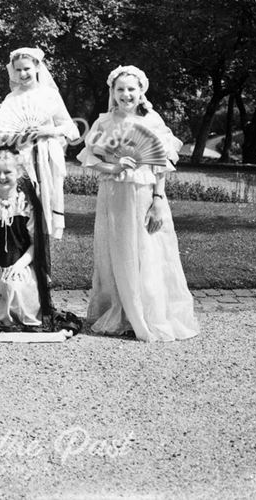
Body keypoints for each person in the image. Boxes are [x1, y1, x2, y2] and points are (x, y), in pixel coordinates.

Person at [78, 65, 199, 342]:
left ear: (141, 91)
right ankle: (120, 312)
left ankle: (148, 314)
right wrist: (113, 167)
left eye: (131, 89)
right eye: (120, 89)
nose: (126, 94)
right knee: (116, 251)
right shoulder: (104, 123)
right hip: (113, 196)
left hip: (144, 195)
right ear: (113, 92)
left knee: (147, 251)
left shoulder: (152, 121)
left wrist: (158, 201)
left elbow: (162, 166)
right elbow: (91, 158)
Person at [0, 47, 80, 240]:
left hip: (46, 156)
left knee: (44, 202)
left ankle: (41, 258)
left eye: (27, 68)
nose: (23, 74)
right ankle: (20, 253)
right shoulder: (11, 98)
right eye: (18, 70)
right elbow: (1, 135)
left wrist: (48, 131)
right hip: (21, 158)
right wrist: (19, 136)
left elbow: (71, 128)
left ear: (37, 67)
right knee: (23, 204)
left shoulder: (49, 95)